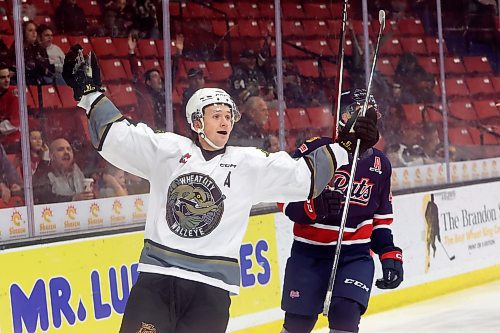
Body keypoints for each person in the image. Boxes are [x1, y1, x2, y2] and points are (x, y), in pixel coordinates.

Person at [61, 44, 378, 333]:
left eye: (229, 116)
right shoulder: (168, 151)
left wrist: (347, 147)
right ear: (197, 122)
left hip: (211, 289)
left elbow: (302, 177)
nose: (225, 121)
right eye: (216, 116)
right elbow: (117, 138)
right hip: (158, 281)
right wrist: (89, 95)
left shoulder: (248, 163)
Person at [279, 89, 403, 333]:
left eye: (369, 114)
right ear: (342, 116)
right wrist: (312, 207)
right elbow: (283, 198)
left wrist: (389, 253)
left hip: (354, 255)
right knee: (298, 324)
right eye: (357, 113)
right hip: (308, 254)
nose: (364, 119)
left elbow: (380, 220)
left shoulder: (380, 164)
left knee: (345, 315)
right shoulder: (315, 150)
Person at [32, 137, 95, 204]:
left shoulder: (77, 170)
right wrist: (73, 199)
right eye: (60, 149)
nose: (66, 152)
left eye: (69, 149)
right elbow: (44, 197)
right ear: (51, 156)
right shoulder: (43, 172)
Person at [0, 63, 21, 154]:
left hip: (12, 142)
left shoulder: (14, 92)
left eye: (8, 76)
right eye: (2, 77)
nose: (7, 80)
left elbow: (15, 123)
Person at [424, 193, 441, 272]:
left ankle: (433, 253)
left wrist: (438, 234)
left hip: (433, 229)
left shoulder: (435, 207)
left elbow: (437, 221)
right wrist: (429, 223)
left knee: (432, 244)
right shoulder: (430, 205)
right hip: (430, 228)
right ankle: (428, 259)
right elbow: (426, 215)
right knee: (428, 243)